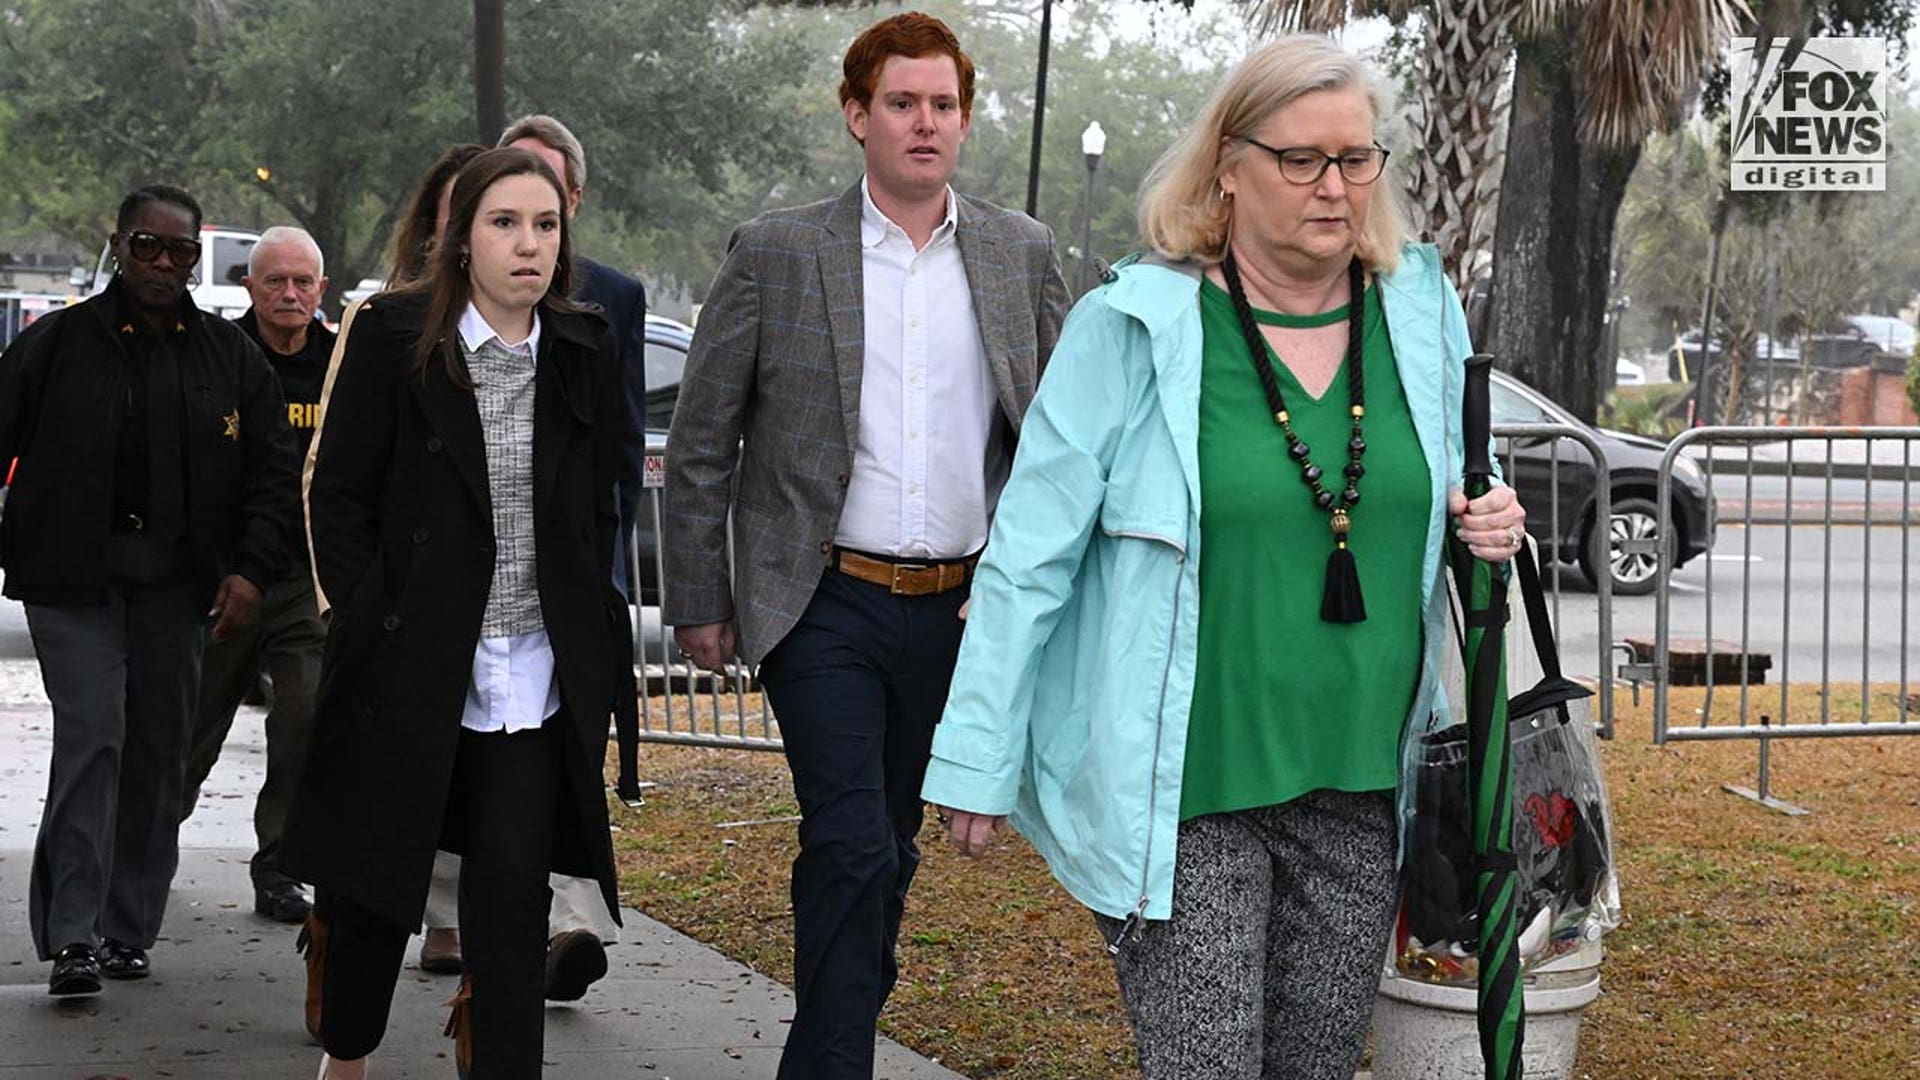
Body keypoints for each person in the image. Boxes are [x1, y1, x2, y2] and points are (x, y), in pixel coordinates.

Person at [918, 35, 1529, 1080]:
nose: (1334, 187)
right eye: (1302, 160)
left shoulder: (1420, 315)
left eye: (1355, 159)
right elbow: (1028, 556)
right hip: (1189, 789)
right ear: (1229, 167)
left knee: (1316, 1068)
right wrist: (974, 757)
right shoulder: (1135, 325)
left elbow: (1436, 515)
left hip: (1363, 786)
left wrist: (1489, 527)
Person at [663, 13, 1069, 1077]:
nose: (924, 123)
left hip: (958, 612)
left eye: (942, 105)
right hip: (822, 601)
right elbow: (704, 438)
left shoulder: (1020, 254)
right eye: (902, 102)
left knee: (886, 852)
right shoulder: (778, 251)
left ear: (966, 121)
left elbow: (1064, 435)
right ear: (857, 114)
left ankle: (834, 1030)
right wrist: (700, 598)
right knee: (850, 840)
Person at [279, 147, 633, 1079]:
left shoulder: (585, 346)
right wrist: (367, 616)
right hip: (412, 664)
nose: (529, 245)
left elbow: (600, 503)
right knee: (375, 887)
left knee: (511, 901)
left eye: (547, 226)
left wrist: (584, 628)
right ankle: (347, 1051)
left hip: (531, 676)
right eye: (505, 224)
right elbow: (338, 497)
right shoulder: (398, 334)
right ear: (460, 237)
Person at [0, 183, 299, 996]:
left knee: (157, 752)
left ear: (197, 258)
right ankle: (72, 938)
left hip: (182, 591)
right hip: (73, 585)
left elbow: (274, 473)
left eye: (181, 251)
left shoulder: (228, 358)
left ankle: (129, 929)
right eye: (148, 246)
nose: (164, 263)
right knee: (94, 738)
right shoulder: (55, 345)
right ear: (119, 244)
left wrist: (250, 570)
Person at [488, 111, 645, 1001]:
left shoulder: (613, 300)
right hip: (472, 594)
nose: (526, 228)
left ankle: (559, 930)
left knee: (562, 762)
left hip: (576, 584)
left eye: (544, 204)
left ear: (573, 202)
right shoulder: (442, 297)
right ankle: (460, 925)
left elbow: (620, 447)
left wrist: (602, 568)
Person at [178, 225, 335, 924]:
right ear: (249, 286)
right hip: (227, 576)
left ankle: (280, 869)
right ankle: (143, 849)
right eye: (276, 281)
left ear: (322, 291)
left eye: (303, 282)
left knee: (303, 715)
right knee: (190, 727)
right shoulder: (220, 357)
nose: (290, 294)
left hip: (306, 580)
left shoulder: (343, 366)